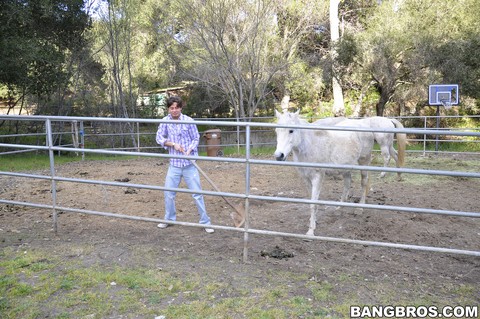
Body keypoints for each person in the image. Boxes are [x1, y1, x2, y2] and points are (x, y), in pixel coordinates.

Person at [155, 96, 214, 233]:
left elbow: (196, 138)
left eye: (177, 108)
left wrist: (190, 149)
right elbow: (159, 138)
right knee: (169, 193)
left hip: (189, 164)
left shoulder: (189, 121)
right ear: (168, 109)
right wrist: (172, 144)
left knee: (197, 194)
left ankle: (206, 222)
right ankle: (169, 219)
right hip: (174, 164)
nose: (174, 110)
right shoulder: (164, 121)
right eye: (171, 108)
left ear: (181, 108)